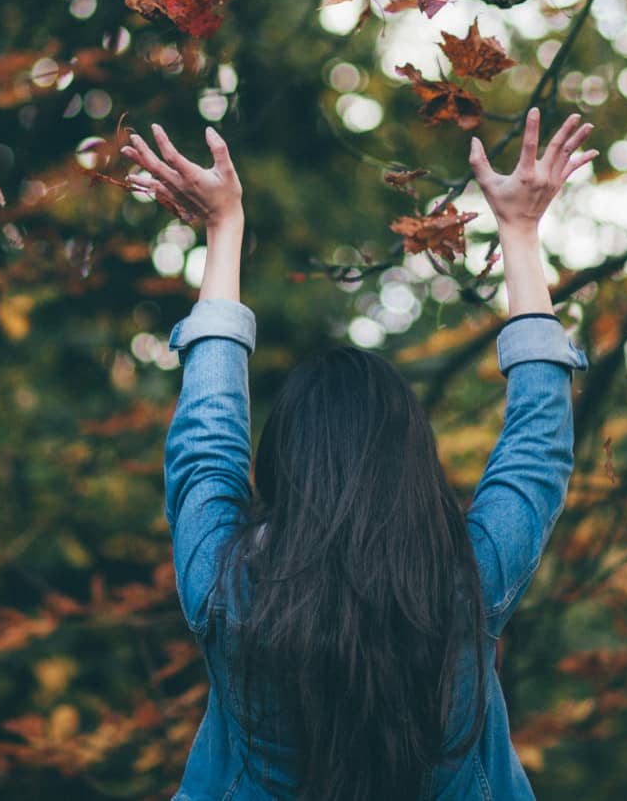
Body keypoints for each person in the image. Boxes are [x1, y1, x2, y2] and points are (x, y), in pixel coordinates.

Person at [121, 108, 598, 801]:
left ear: (284, 467)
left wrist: (224, 231)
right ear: (414, 466)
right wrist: (520, 234)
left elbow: (207, 441)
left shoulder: (227, 592)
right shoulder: (468, 585)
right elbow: (537, 445)